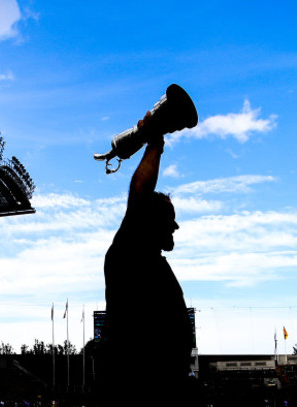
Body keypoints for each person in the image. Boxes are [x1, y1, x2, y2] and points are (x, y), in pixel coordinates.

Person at [99, 112, 194, 406]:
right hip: (139, 390)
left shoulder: (149, 259)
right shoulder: (129, 251)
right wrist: (155, 144)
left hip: (163, 387)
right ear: (147, 220)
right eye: (169, 219)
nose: (175, 226)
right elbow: (140, 192)